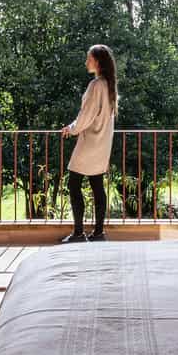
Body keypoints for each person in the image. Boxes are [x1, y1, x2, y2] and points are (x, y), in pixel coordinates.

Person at [60, 44, 117, 242]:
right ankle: (99, 232)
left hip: (90, 141)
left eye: (89, 58)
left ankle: (78, 232)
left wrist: (72, 128)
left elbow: (86, 115)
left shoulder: (96, 85)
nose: (86, 62)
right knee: (97, 184)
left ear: (98, 61)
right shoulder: (109, 85)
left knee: (74, 182)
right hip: (102, 143)